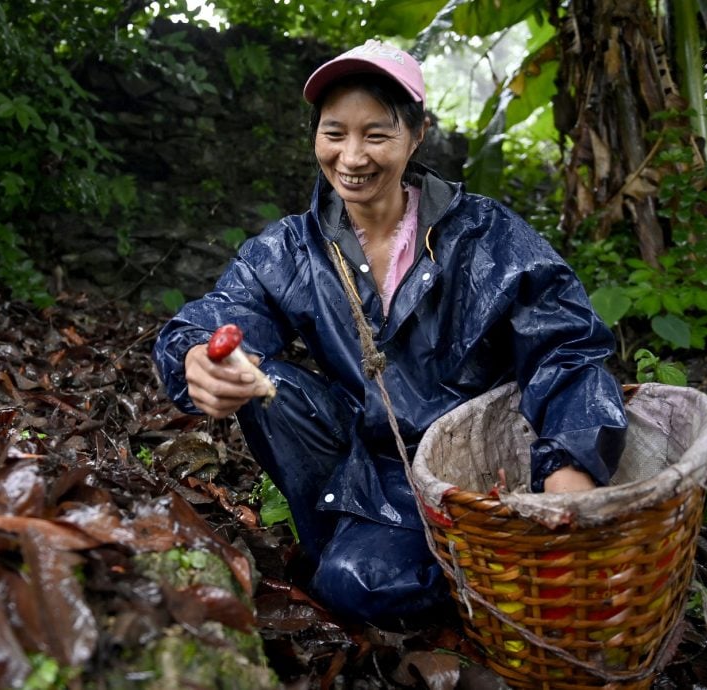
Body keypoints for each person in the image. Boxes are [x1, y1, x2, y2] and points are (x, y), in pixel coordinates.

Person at [152, 39, 627, 625]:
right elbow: (217, 313)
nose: (351, 157)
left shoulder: (484, 237)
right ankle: (348, 551)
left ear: (416, 134)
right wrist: (198, 357)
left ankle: (441, 568)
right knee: (264, 387)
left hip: (468, 473)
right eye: (334, 133)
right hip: (365, 460)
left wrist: (569, 472)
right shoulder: (292, 248)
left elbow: (568, 347)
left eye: (376, 135)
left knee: (358, 586)